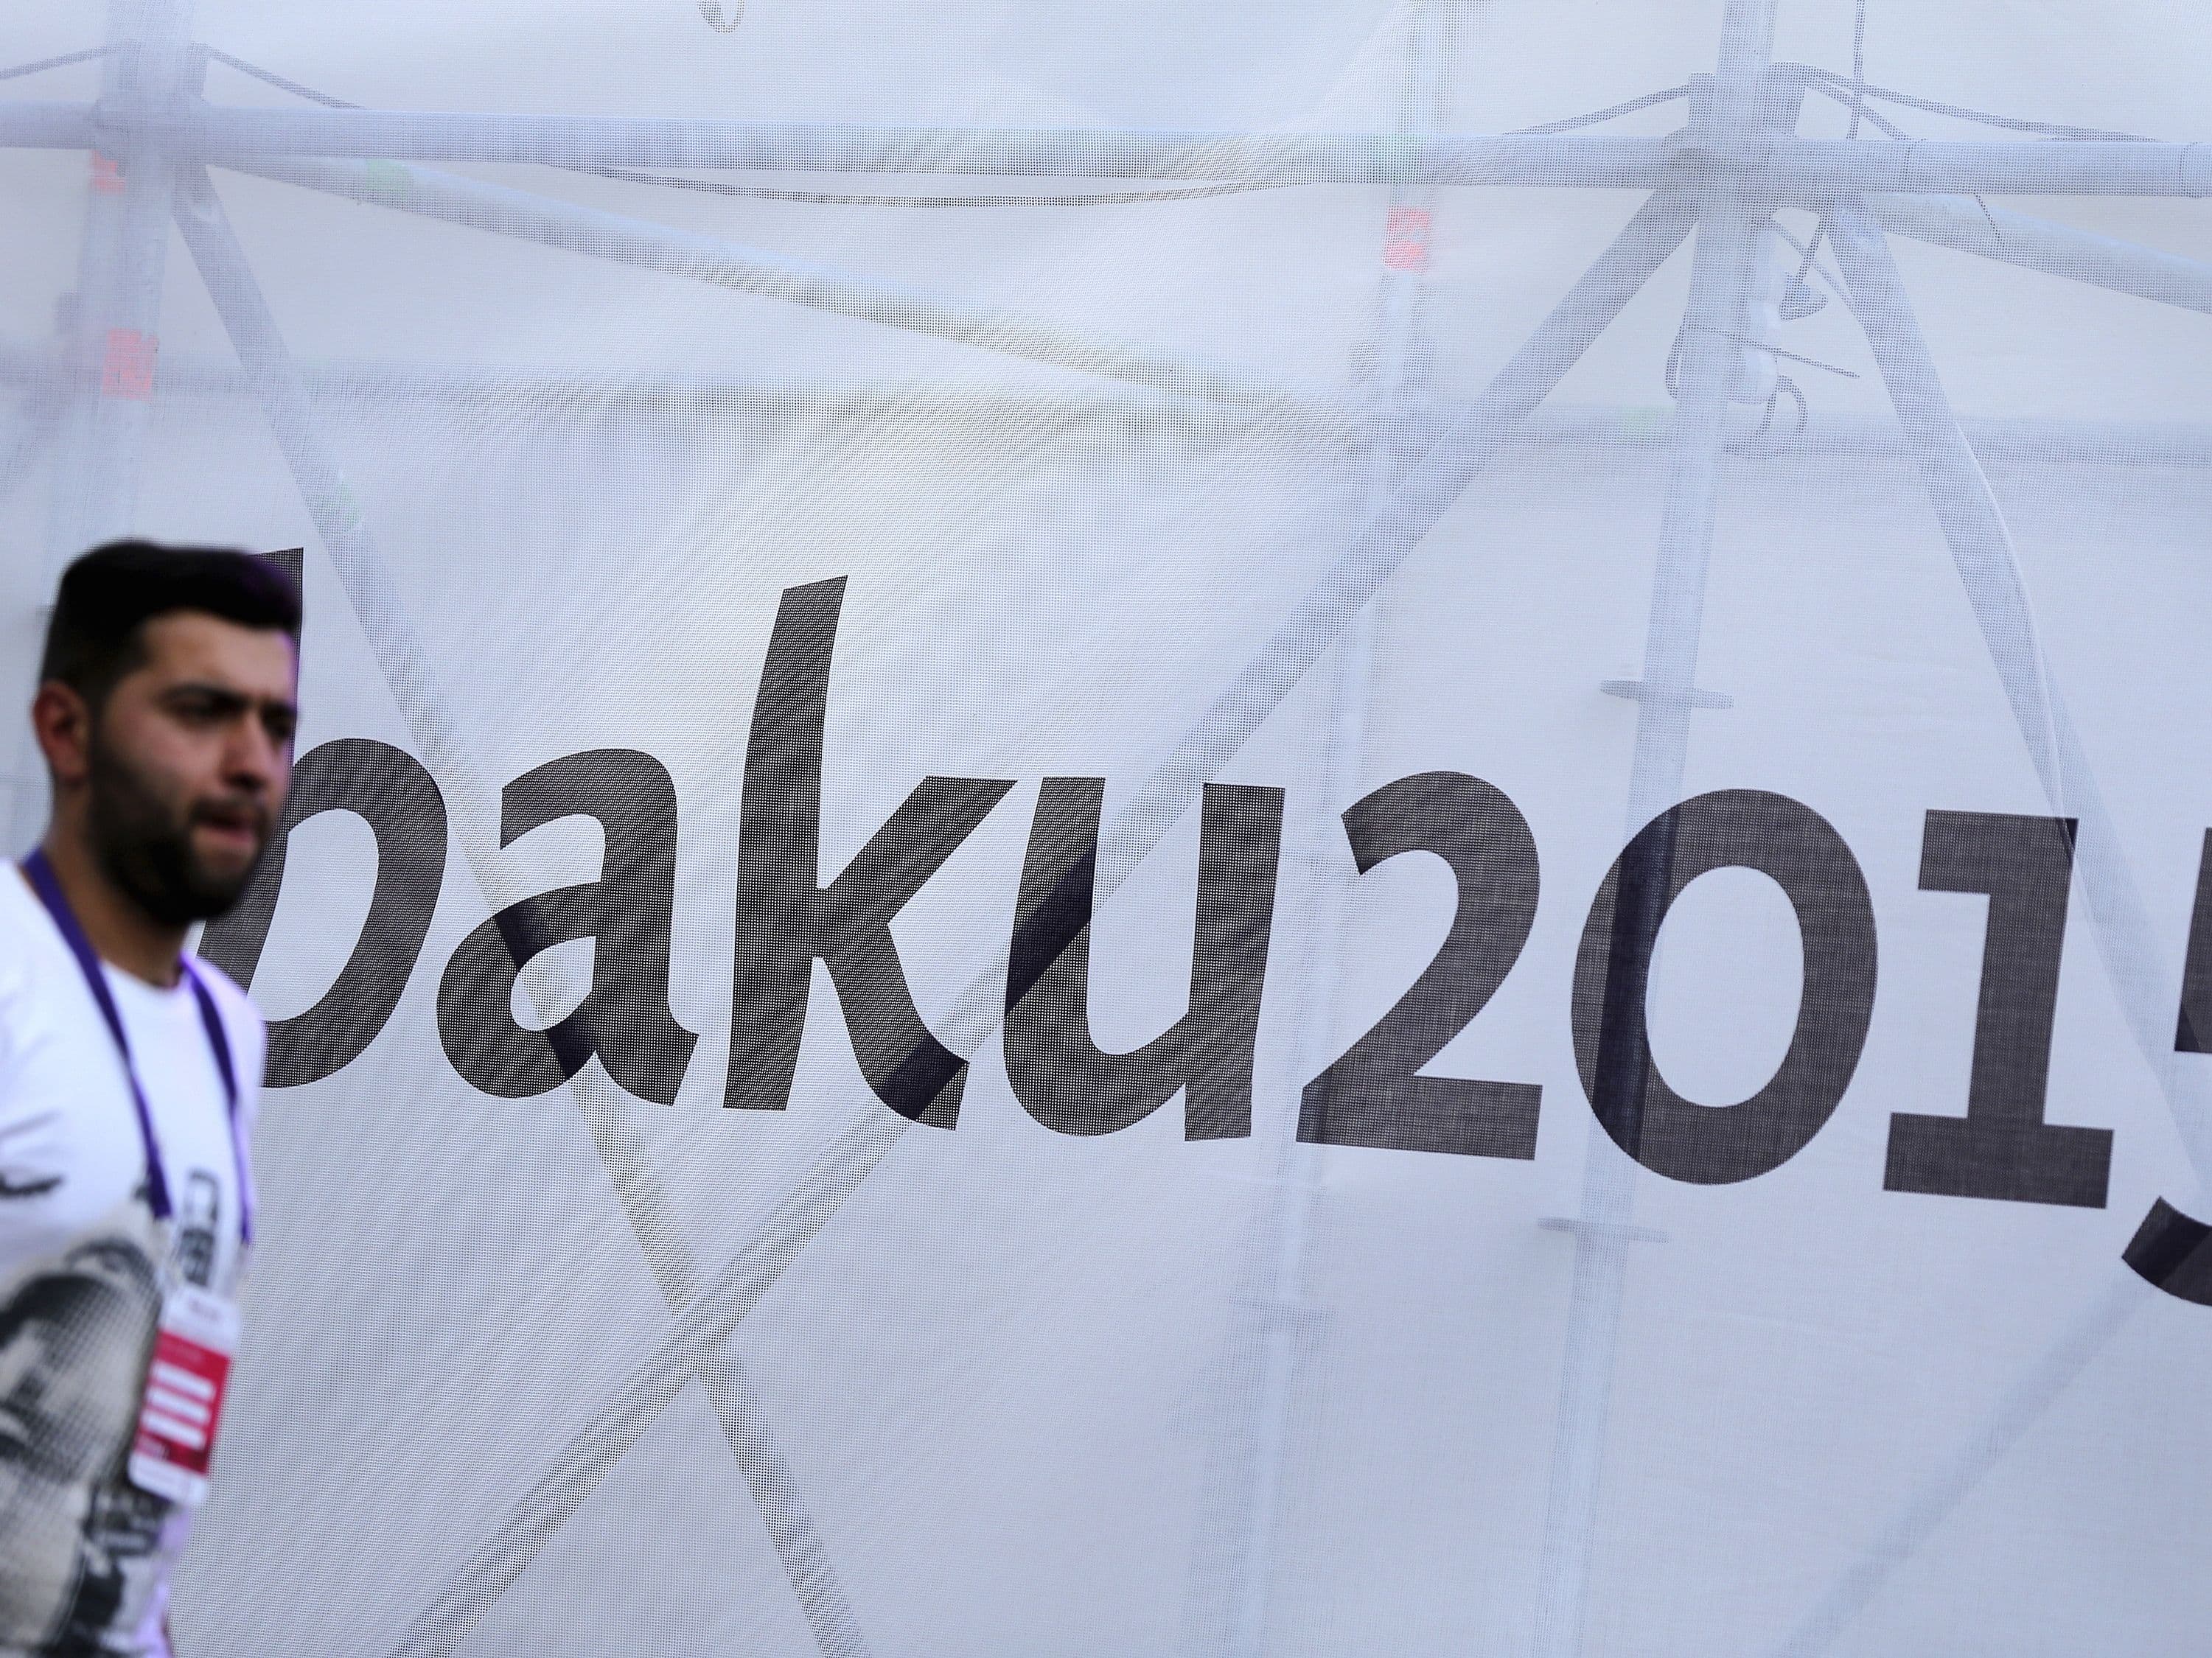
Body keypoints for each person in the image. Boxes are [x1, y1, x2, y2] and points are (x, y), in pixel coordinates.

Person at [0, 542, 298, 1656]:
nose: (250, 761)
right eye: (201, 710)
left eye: (276, 724)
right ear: (65, 730)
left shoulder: (227, 1030)